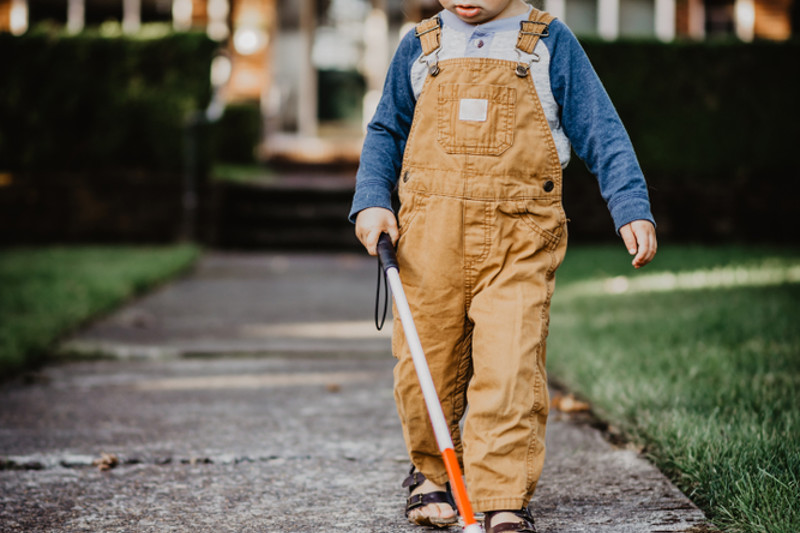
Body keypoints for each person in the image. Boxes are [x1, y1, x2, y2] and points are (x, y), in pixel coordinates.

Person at [349, 1, 657, 531]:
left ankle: (502, 493)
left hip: (520, 237)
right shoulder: (421, 45)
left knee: (511, 364)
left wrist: (629, 203)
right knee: (426, 363)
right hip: (428, 242)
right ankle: (430, 475)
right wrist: (373, 197)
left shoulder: (548, 43)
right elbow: (385, 131)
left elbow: (600, 128)